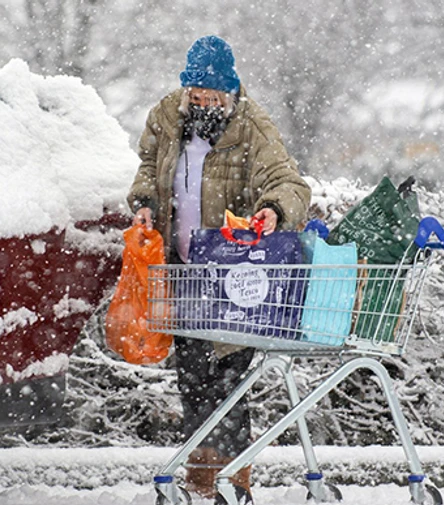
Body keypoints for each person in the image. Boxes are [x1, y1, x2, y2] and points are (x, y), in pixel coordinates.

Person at [127, 35, 311, 499]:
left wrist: (273, 208)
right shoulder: (168, 115)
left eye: (213, 98)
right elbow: (148, 164)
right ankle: (201, 479)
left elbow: (287, 181)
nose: (205, 104)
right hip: (183, 268)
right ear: (186, 92)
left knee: (228, 380)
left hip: (232, 273)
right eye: (197, 96)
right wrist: (145, 202)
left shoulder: (253, 124)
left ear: (230, 95)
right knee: (190, 377)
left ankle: (233, 480)